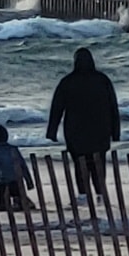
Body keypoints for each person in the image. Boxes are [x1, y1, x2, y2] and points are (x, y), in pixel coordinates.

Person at [46, 45, 120, 205]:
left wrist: (51, 131)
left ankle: (83, 195)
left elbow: (57, 108)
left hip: (75, 132)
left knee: (80, 164)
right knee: (98, 163)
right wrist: (116, 132)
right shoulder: (102, 80)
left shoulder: (67, 82)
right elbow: (113, 107)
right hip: (100, 130)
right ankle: (100, 194)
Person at [0, 123, 35, 211]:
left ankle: (19, 202)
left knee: (2, 206)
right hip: (17, 180)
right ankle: (21, 202)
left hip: (3, 182)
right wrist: (29, 181)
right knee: (20, 196)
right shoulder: (14, 149)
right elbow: (23, 165)